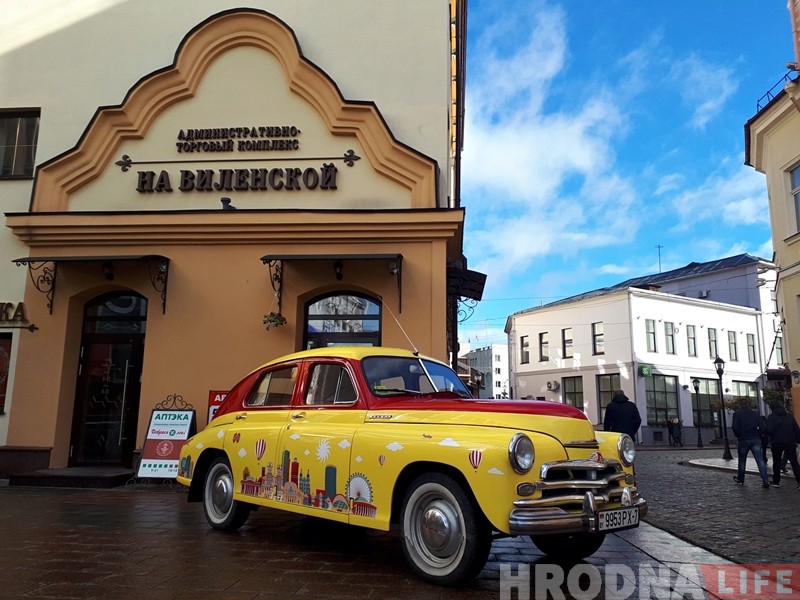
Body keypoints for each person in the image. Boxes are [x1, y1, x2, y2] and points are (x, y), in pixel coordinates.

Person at [730, 399, 770, 488]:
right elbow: (763, 427)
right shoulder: (755, 414)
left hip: (743, 439)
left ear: (740, 405)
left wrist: (739, 435)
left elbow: (734, 427)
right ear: (748, 405)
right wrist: (758, 434)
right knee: (760, 460)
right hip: (755, 439)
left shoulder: (737, 414)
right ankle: (765, 480)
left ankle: (741, 479)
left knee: (742, 460)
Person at [765, 401, 800, 489]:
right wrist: (797, 440)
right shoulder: (789, 417)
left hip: (776, 442)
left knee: (776, 462)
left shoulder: (771, 417)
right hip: (789, 441)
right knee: (794, 462)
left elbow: (769, 431)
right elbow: (797, 430)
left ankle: (776, 481)